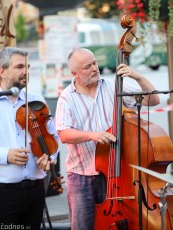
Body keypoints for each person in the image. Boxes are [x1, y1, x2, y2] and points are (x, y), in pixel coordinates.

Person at [55, 48, 160, 230]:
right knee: (82, 226)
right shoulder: (67, 97)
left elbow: (153, 101)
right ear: (75, 73)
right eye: (88, 67)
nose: (95, 68)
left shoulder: (113, 86)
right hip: (81, 175)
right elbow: (64, 134)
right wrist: (93, 135)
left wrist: (138, 77)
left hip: (114, 174)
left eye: (94, 63)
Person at [0, 47, 59, 229]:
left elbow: (52, 138)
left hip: (35, 190)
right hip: (4, 194)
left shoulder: (36, 100)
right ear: (2, 71)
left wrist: (49, 158)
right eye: (19, 67)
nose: (25, 71)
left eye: (27, 66)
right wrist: (5, 155)